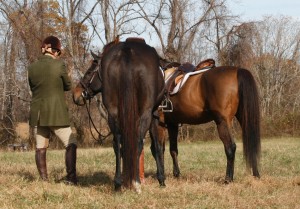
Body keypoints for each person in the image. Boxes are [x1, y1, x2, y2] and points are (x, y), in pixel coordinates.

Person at [28, 35, 77, 185]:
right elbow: (68, 86)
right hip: (56, 112)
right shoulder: (59, 65)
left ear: (44, 49)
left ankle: (44, 180)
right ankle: (71, 178)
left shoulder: (32, 67)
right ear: (55, 51)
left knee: (40, 147)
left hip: (37, 114)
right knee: (71, 143)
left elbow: (32, 87)